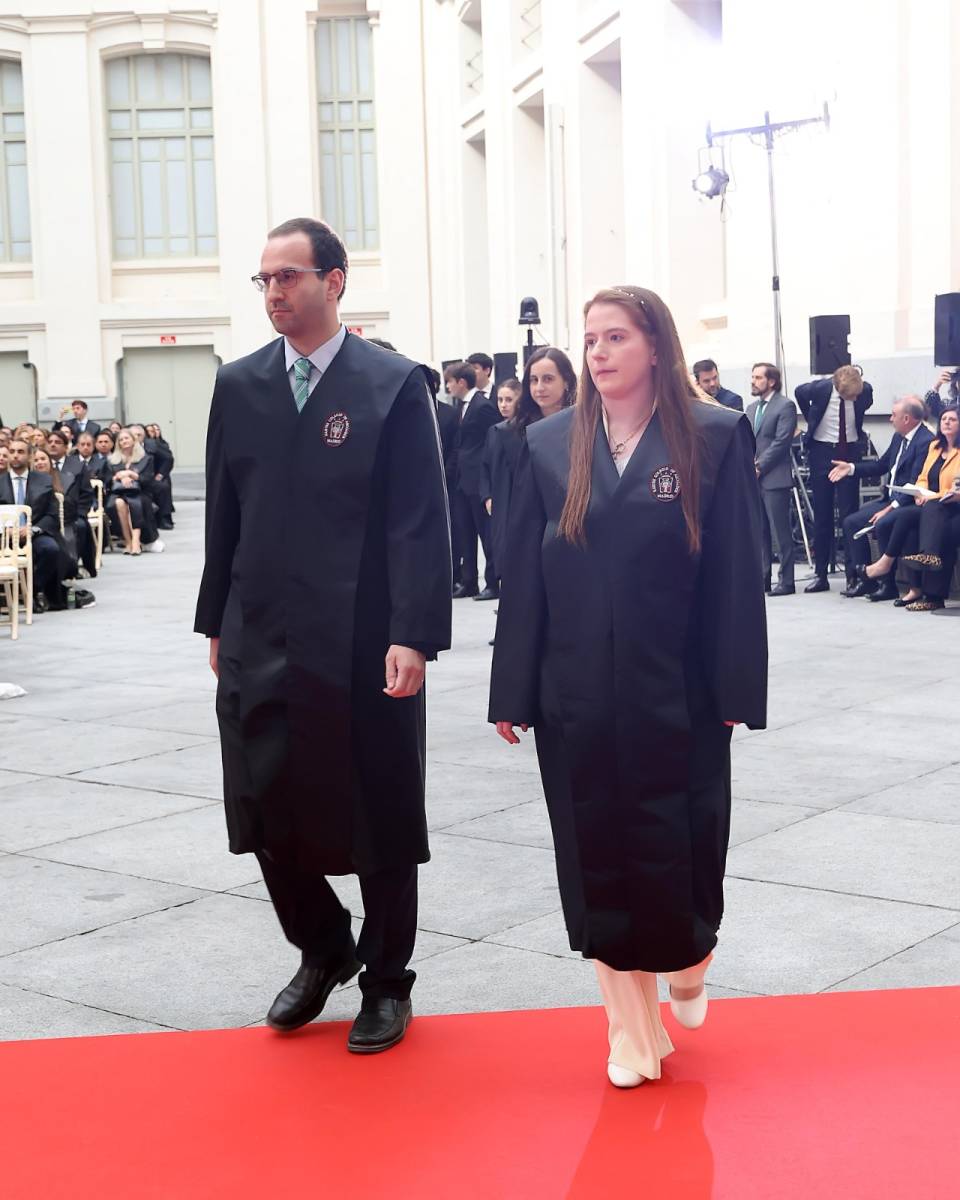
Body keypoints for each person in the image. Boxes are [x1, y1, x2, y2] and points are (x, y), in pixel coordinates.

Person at [489, 285, 767, 1089]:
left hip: (679, 688)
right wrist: (513, 688)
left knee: (683, 843)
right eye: (590, 339)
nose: (599, 352)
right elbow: (524, 575)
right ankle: (631, 1035)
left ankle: (691, 959)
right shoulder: (550, 444)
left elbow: (736, 571)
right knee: (594, 852)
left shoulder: (712, 436)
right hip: (574, 690)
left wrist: (736, 688)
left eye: (616, 337)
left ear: (655, 346)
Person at [195, 216, 451, 1055]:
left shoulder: (392, 384)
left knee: (380, 809)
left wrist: (413, 632)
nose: (273, 292)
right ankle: (323, 945)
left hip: (365, 636)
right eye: (264, 279)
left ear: (334, 282)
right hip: (261, 629)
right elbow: (225, 513)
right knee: (261, 802)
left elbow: (419, 520)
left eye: (289, 277)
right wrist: (215, 619)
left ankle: (386, 980)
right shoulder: (239, 384)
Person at [832, 396, 935, 600]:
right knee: (852, 522)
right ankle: (866, 580)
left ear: (906, 419)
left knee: (883, 522)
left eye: (894, 415)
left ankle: (888, 585)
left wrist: (890, 508)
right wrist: (851, 468)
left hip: (908, 502)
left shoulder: (925, 441)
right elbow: (881, 465)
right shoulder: (899, 437)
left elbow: (915, 482)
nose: (890, 419)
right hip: (890, 499)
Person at [866, 407, 960, 609]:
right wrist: (919, 493)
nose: (946, 422)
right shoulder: (935, 446)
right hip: (931, 507)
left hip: (953, 507)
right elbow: (923, 477)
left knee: (938, 527)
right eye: (944, 418)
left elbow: (956, 488)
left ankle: (922, 584)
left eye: (952, 419)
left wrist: (931, 497)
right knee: (906, 521)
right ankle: (918, 588)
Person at [795, 364, 874, 592]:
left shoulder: (864, 390)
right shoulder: (820, 388)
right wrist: (811, 419)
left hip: (848, 451)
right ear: (837, 388)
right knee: (822, 515)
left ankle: (852, 574)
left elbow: (865, 404)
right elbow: (799, 393)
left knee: (850, 515)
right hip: (822, 451)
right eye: (850, 397)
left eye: (856, 396)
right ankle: (821, 574)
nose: (854, 399)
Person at [448, 361, 500, 599]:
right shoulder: (462, 406)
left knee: (485, 534)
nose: (448, 387)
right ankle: (469, 582)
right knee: (465, 532)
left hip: (477, 479)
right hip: (462, 480)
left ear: (461, 382)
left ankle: (493, 582)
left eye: (450, 382)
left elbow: (493, 438)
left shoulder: (482, 406)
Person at [746, 363, 797, 595]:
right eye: (753, 377)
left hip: (774, 478)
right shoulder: (751, 408)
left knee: (780, 532)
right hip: (753, 478)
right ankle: (763, 578)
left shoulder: (785, 406)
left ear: (772, 381)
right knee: (760, 532)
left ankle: (786, 581)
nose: (753, 381)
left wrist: (759, 466)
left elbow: (781, 442)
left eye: (758, 377)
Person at [0, 437, 63, 611]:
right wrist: (6, 529)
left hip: (34, 533)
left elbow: (52, 515)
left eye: (20, 452)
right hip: (4, 535)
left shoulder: (44, 481)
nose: (15, 455)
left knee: (51, 549)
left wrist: (31, 529)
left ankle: (31, 591)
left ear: (29, 456)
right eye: (12, 452)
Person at [30, 447, 96, 608]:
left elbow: (71, 506)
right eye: (36, 460)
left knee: (62, 541)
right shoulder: (25, 483)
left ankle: (35, 590)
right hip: (27, 528)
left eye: (43, 459)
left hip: (54, 525)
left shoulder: (59, 480)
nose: (39, 463)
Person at [106, 428, 155, 555]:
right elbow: (107, 480)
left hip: (140, 492)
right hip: (119, 493)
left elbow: (149, 480)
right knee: (119, 503)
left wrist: (133, 475)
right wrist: (119, 476)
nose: (124, 441)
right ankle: (128, 541)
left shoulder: (146, 458)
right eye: (121, 439)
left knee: (134, 503)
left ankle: (135, 541)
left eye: (126, 438)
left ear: (133, 440)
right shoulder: (112, 460)